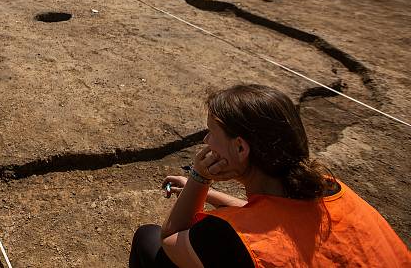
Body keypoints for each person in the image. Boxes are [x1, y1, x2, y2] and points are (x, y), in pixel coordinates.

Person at [129, 84, 410, 268]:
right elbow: (278, 222)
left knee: (148, 240)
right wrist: (212, 195)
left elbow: (171, 240)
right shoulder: (328, 187)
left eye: (211, 133)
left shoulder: (223, 238)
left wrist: (200, 179)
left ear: (240, 147)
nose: (205, 139)